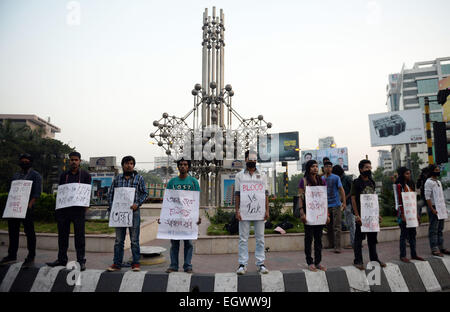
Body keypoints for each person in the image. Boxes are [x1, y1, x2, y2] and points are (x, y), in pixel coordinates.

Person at [47, 151, 91, 271]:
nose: (74, 162)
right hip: (64, 210)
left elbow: (87, 192)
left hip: (78, 211)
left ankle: (81, 261)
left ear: (80, 161)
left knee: (79, 237)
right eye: (71, 160)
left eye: (76, 160)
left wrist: (86, 206)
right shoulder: (64, 175)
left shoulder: (85, 175)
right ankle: (62, 259)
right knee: (62, 236)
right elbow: (61, 192)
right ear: (69, 161)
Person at [107, 156, 148, 272]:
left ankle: (136, 263)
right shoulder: (117, 179)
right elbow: (110, 194)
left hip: (133, 212)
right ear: (122, 165)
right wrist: (112, 208)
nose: (129, 165)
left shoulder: (139, 178)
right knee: (119, 240)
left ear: (133, 165)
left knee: (134, 240)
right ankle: (116, 263)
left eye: (131, 163)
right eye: (126, 163)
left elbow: (145, 193)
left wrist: (137, 203)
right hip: (119, 213)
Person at [0, 154, 42, 266]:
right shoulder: (16, 175)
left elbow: (37, 193)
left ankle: (31, 256)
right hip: (14, 208)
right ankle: (11, 255)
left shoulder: (35, 175)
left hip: (27, 208)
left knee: (29, 233)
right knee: (13, 232)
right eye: (22, 161)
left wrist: (29, 205)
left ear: (30, 162)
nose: (24, 163)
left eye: (26, 161)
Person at [163, 158, 201, 273]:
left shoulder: (194, 182)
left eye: (185, 164)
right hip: (175, 218)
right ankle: (173, 266)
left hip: (189, 218)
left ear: (188, 167)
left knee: (188, 243)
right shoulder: (172, 182)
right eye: (181, 164)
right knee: (174, 243)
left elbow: (196, 200)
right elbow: (167, 201)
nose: (183, 166)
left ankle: (188, 266)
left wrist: (197, 216)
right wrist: (163, 216)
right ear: (178, 167)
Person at [235, 150, 270, 275]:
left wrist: (267, 210)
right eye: (250, 159)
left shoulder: (263, 175)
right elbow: (237, 195)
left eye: (254, 159)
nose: (252, 161)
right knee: (243, 239)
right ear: (245, 160)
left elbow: (266, 194)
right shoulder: (239, 176)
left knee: (260, 238)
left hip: (259, 212)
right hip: (244, 211)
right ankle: (242, 264)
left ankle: (260, 263)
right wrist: (237, 211)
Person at [351, 159, 386, 270]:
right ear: (361, 169)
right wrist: (357, 215)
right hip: (361, 216)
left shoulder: (372, 182)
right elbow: (353, 199)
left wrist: (377, 214)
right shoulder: (356, 182)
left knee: (372, 239)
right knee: (358, 239)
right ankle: (358, 261)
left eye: (370, 168)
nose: (369, 170)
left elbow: (374, 199)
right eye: (366, 167)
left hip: (371, 216)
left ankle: (374, 259)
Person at [298, 160, 330, 271]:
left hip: (320, 214)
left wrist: (327, 214)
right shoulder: (304, 181)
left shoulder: (322, 181)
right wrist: (302, 212)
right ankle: (309, 262)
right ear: (308, 168)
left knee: (318, 239)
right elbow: (300, 197)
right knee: (308, 238)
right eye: (312, 167)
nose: (315, 168)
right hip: (309, 214)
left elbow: (324, 199)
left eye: (316, 166)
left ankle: (318, 262)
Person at [395, 167, 424, 263]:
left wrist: (417, 214)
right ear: (402, 174)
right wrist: (402, 213)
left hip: (411, 213)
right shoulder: (398, 185)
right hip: (403, 213)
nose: (409, 175)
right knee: (404, 234)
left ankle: (414, 254)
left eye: (409, 173)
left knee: (413, 234)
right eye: (407, 173)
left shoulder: (411, 183)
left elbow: (413, 199)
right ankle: (402, 255)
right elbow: (399, 200)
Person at [424, 164, 450, 257]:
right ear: (431, 171)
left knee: (440, 228)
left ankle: (441, 247)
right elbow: (427, 197)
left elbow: (441, 196)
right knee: (433, 229)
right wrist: (432, 209)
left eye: (438, 169)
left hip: (441, 207)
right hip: (434, 207)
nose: (438, 171)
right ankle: (434, 248)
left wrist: (444, 208)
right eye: (436, 169)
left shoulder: (438, 182)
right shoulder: (428, 182)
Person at [323, 161, 346, 253]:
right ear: (323, 168)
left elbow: (341, 190)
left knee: (337, 226)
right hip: (326, 205)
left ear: (332, 168)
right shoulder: (321, 179)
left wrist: (343, 203)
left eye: (330, 167)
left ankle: (338, 246)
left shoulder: (336, 178)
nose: (328, 168)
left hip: (336, 204)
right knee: (328, 226)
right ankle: (331, 244)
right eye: (326, 166)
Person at [332, 165, 354, 249]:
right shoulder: (339, 179)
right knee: (348, 223)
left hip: (349, 203)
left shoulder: (347, 178)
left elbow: (352, 191)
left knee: (351, 224)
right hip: (343, 203)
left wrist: (345, 198)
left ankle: (353, 243)